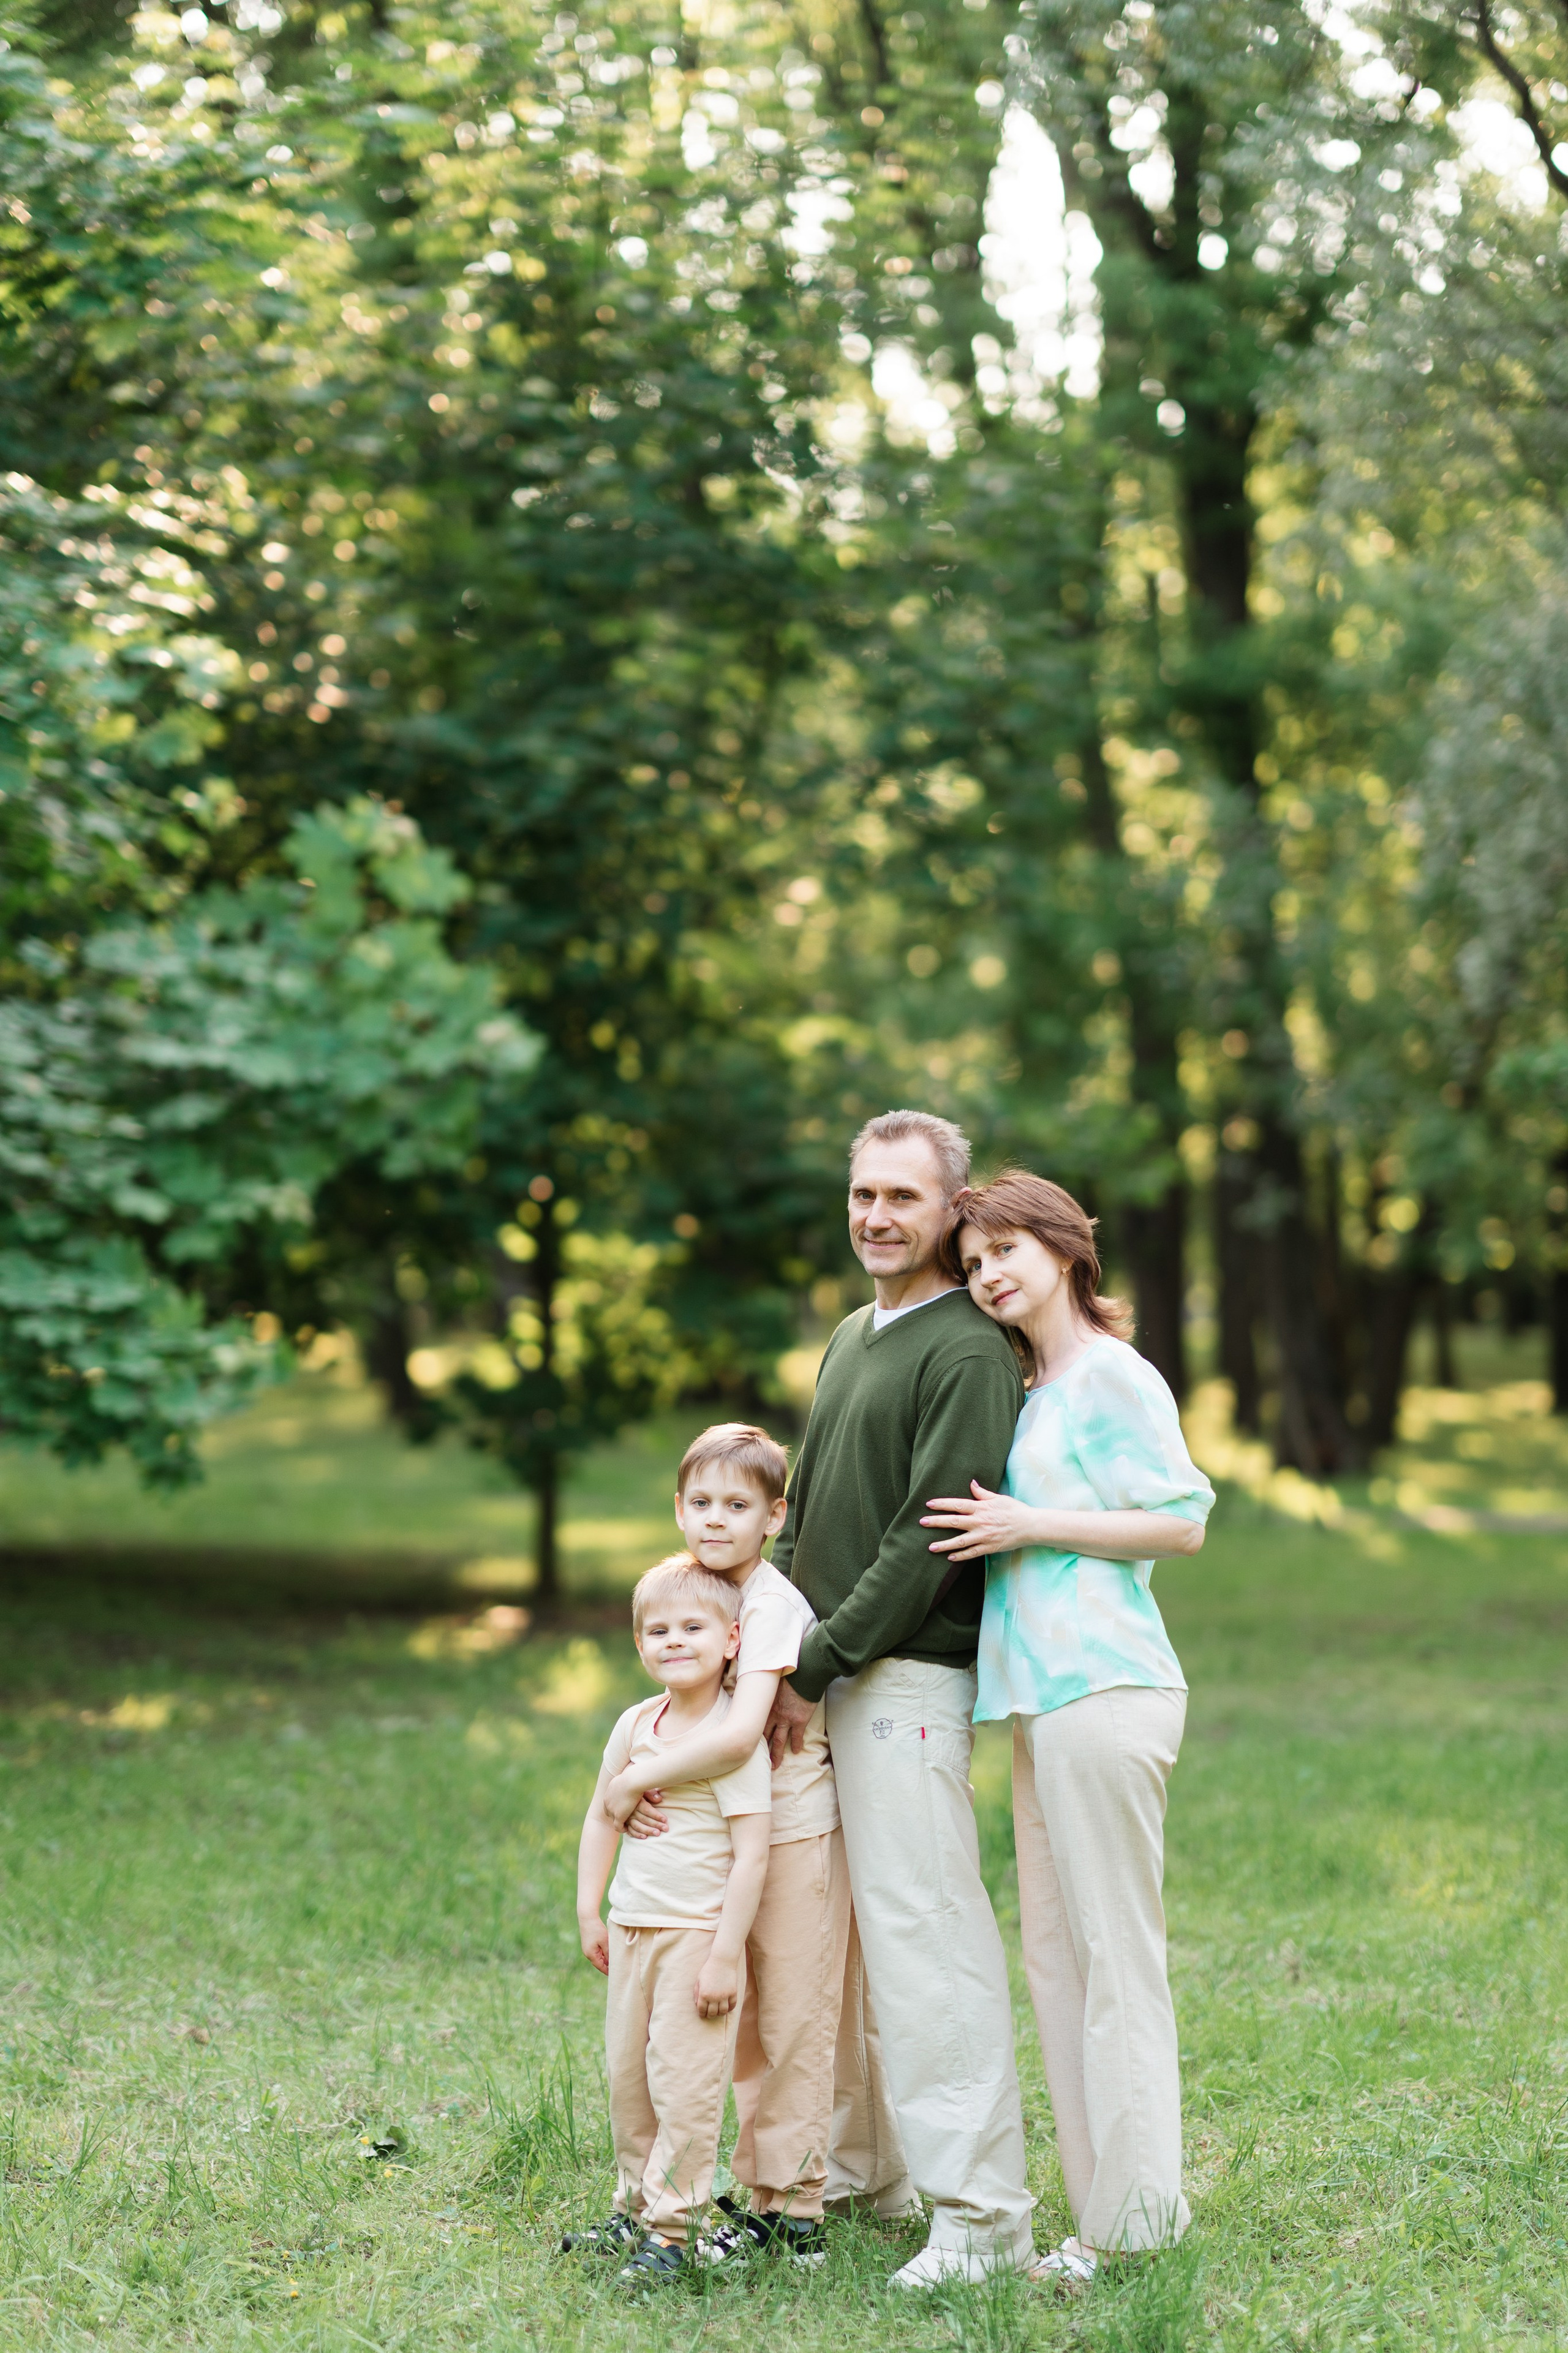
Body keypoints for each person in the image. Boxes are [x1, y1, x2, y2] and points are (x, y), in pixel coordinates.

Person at [921, 1169, 1215, 2286]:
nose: (990, 1273)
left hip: (1106, 1689)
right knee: (1057, 1963)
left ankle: (1137, 2219)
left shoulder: (1110, 1376)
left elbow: (1181, 1522)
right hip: (1042, 1703)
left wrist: (1024, 1523)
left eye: (1005, 1250)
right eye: (974, 1262)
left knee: (1112, 1958)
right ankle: (1106, 2217)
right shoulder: (1035, 1392)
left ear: (1060, 1245)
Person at [766, 1108, 1041, 2289]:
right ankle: (869, 2170)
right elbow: (806, 1509)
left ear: (951, 1209)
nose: (878, 1217)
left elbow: (929, 1538)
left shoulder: (967, 1348)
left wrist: (814, 1663)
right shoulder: (849, 1334)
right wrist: (766, 1645)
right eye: (863, 1194)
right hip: (821, 1675)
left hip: (906, 1679)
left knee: (929, 1941)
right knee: (847, 1950)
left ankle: (981, 2221)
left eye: (905, 1199)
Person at [600, 1421, 903, 2265]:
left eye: (737, 1505)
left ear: (773, 1517)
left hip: (797, 1827)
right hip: (725, 1843)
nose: (715, 1519)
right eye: (700, 1502)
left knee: (794, 2018)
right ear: (678, 1508)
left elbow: (737, 1737)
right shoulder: (696, 1585)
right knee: (734, 2023)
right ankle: (744, 2187)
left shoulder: (768, 1602)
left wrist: (633, 1780)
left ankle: (794, 2208)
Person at [570, 1556, 771, 2284]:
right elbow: (602, 1815)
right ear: (639, 1643)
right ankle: (630, 2208)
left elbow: (752, 1857)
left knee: (684, 2087)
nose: (674, 1640)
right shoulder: (636, 1724)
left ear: (732, 1641)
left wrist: (724, 1955)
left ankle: (674, 2230)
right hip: (631, 1928)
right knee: (630, 2079)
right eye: (658, 1630)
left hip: (696, 1936)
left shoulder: (729, 1738)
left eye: (693, 1627)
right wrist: (590, 1909)